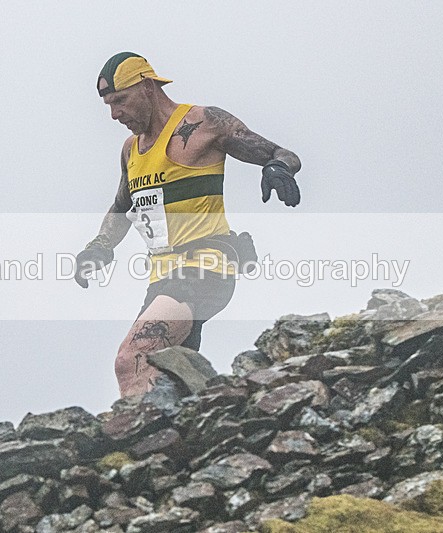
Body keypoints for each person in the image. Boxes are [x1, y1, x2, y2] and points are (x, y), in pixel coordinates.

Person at [75, 52, 302, 398]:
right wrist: (99, 246)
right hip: (162, 279)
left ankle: (134, 443)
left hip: (206, 266)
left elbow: (281, 153)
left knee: (131, 359)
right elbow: (121, 207)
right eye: (108, 105)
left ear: (148, 87)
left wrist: (278, 169)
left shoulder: (202, 123)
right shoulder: (130, 150)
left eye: (120, 101)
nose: (114, 114)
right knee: (167, 381)